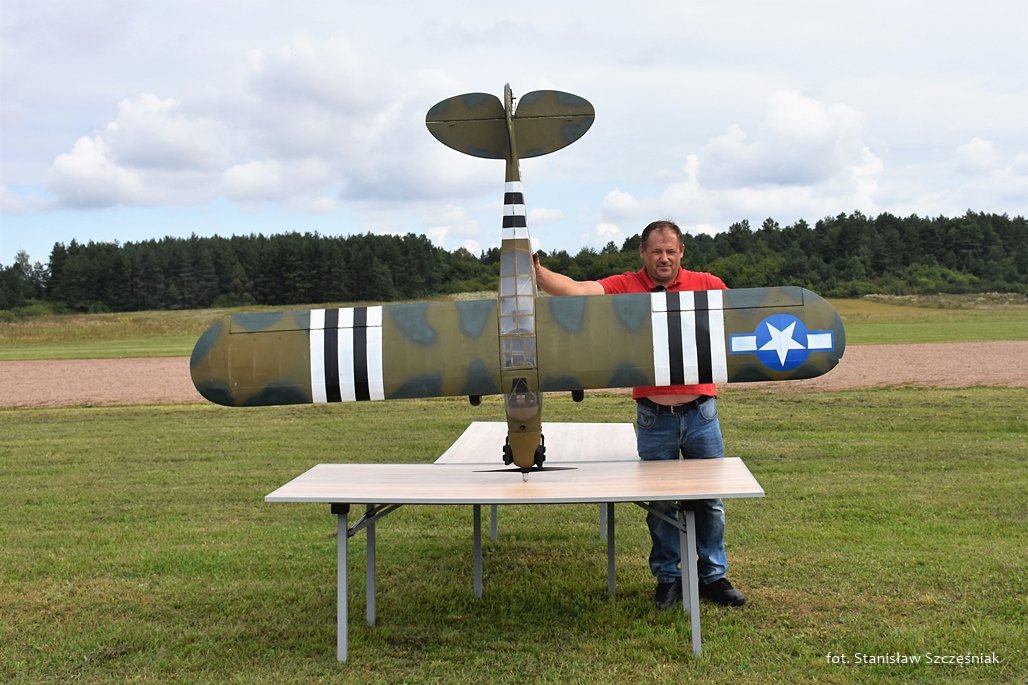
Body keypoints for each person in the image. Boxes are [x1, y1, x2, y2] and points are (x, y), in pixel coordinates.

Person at [534, 219, 746, 609]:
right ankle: (668, 579)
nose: (664, 258)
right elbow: (578, 291)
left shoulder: (707, 283)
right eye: (656, 251)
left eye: (671, 251)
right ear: (643, 253)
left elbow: (744, 316)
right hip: (653, 419)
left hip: (702, 415)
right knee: (660, 504)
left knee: (710, 501)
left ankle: (713, 576)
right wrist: (536, 271)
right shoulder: (625, 286)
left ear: (681, 252)